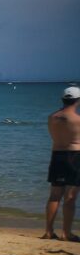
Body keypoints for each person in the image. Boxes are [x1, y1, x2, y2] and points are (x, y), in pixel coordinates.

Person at [43, 86, 80, 241]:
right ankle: (66, 233)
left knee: (54, 195)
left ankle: (49, 231)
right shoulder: (77, 119)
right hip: (74, 156)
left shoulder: (52, 117)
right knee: (70, 197)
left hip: (57, 155)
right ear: (78, 100)